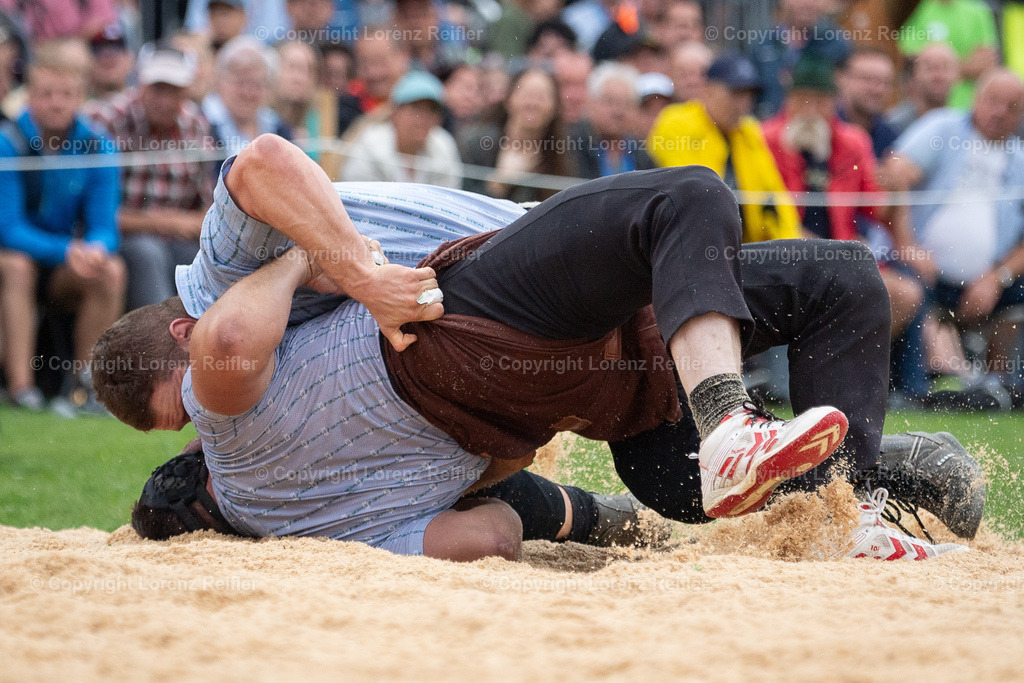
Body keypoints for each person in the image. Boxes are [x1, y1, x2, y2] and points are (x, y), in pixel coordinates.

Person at [91, 134, 971, 562]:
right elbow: (487, 499)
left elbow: (259, 165)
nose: (199, 419)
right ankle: (735, 428)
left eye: (182, 406)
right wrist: (334, 271)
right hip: (499, 312)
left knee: (841, 273)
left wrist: (350, 268)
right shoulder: (252, 404)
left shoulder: (226, 285)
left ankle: (850, 499)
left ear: (183, 338)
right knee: (692, 196)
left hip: (559, 322)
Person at [880, 69, 1024, 404]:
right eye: (993, 101)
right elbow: (894, 175)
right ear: (976, 98)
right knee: (910, 288)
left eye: (1012, 107)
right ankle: (914, 391)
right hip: (922, 268)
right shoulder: (943, 128)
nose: (999, 112)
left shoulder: (1020, 160)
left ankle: (1001, 389)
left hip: (986, 281)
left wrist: (996, 278)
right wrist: (909, 246)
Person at [0, 40, 126, 414]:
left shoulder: (98, 146)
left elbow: (105, 226)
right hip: (17, 258)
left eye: (66, 94)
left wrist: (95, 249)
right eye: (47, 94)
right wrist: (66, 250)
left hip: (64, 263)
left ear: (81, 97)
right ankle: (21, 390)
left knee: (110, 270)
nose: (56, 103)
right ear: (29, 96)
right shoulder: (7, 142)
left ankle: (86, 391)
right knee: (17, 267)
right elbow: (8, 228)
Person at [763, 54, 924, 340]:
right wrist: (832, 251)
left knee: (907, 294)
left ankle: (844, 357)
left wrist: (896, 188)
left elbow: (876, 210)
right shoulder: (763, 140)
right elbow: (764, 217)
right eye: (803, 101)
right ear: (789, 100)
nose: (811, 111)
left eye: (820, 102)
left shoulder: (853, 141)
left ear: (833, 103)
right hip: (785, 255)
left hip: (841, 255)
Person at [87, 42, 214, 311]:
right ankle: (159, 335)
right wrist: (163, 221)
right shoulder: (107, 120)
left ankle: (206, 332)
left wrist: (184, 223)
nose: (164, 100)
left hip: (176, 236)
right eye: (157, 88)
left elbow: (207, 208)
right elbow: (92, 211)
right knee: (147, 253)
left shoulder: (196, 125)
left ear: (186, 91)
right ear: (141, 84)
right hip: (121, 234)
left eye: (173, 91)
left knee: (202, 257)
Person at [648, 53, 802, 243]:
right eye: (735, 94)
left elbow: (775, 199)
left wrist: (790, 248)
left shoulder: (748, 131)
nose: (743, 104)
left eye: (749, 96)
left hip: (743, 248)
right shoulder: (677, 123)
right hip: (688, 242)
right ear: (709, 91)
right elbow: (692, 195)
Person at [458, 68, 576, 202]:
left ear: (556, 107)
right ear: (508, 99)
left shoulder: (563, 154)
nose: (533, 104)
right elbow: (462, 202)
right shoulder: (477, 144)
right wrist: (500, 183)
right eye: (526, 95)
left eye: (542, 97)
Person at [341, 70, 462, 186]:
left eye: (432, 110)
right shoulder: (370, 144)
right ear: (395, 112)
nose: (423, 117)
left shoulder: (444, 146)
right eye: (415, 108)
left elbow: (448, 194)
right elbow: (358, 192)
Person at [748, 0, 852, 119]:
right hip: (767, 124)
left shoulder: (837, 45)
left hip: (820, 125)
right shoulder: (764, 43)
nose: (806, 3)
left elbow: (845, 98)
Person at [898, 0, 999, 109]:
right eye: (932, 68)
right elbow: (909, 60)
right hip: (925, 110)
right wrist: (965, 66)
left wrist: (933, 65)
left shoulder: (978, 10)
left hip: (966, 107)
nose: (939, 74)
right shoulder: (918, 8)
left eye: (945, 68)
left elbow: (986, 64)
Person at [203, 36, 291, 156]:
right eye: (240, 82)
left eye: (256, 84)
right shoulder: (201, 124)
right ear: (219, 81)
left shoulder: (278, 127)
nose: (247, 92)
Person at [570, 61, 656, 178]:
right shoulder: (572, 146)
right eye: (609, 101)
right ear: (591, 103)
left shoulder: (642, 154)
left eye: (626, 104)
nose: (618, 111)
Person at [835, 47, 900, 160]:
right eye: (868, 79)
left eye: (886, 82)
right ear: (843, 79)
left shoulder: (891, 138)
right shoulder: (826, 131)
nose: (878, 90)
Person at [886, 43, 959, 137]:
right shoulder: (893, 126)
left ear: (958, 76)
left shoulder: (963, 128)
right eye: (930, 68)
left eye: (945, 68)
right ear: (915, 75)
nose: (938, 76)